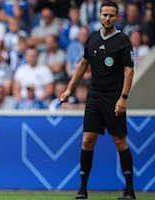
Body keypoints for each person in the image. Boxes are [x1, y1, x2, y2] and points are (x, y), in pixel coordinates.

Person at [60, 1, 136, 199]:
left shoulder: (123, 40)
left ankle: (129, 191)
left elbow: (129, 71)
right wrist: (70, 89)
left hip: (114, 98)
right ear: (100, 16)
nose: (108, 18)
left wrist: (123, 98)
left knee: (120, 142)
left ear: (117, 17)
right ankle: (83, 190)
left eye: (112, 15)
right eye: (105, 15)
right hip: (94, 96)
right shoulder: (92, 38)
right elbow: (83, 64)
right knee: (87, 141)